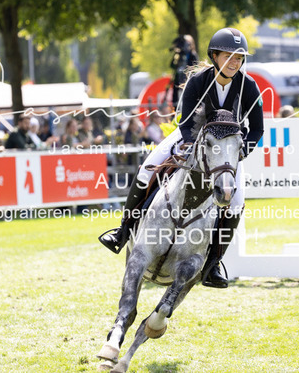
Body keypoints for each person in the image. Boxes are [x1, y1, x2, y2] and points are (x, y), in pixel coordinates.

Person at [99, 27, 264, 289]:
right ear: (214, 56)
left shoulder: (249, 86)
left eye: (239, 58)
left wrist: (244, 151)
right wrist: (189, 145)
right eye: (229, 56)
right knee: (147, 168)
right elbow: (185, 122)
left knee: (235, 202)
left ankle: (213, 263)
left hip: (228, 150)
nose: (235, 62)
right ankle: (123, 231)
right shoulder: (199, 81)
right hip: (192, 137)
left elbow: (257, 129)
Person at [170, 34, 199, 106]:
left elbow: (195, 68)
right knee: (176, 100)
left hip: (188, 82)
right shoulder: (179, 55)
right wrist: (177, 54)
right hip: (177, 82)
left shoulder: (193, 55)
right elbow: (172, 65)